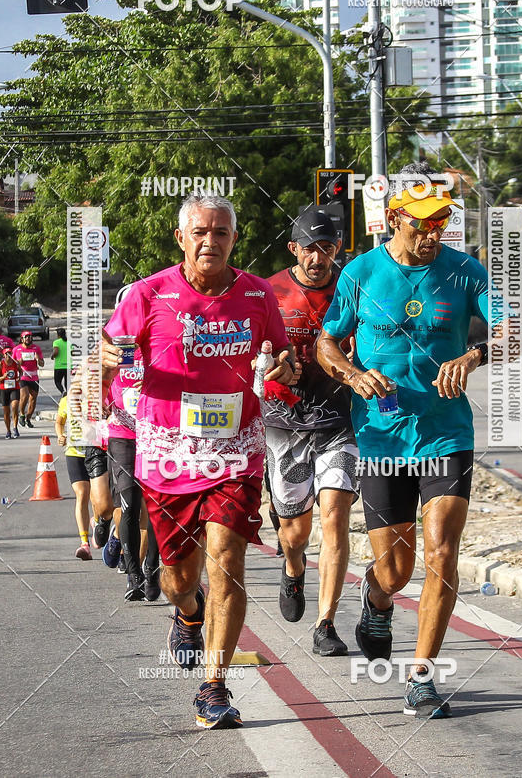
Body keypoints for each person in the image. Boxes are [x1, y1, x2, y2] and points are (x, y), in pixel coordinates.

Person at [317, 166, 522, 719]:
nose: (434, 234)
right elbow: (326, 343)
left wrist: (473, 355)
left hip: (445, 434)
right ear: (394, 219)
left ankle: (421, 675)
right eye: (422, 224)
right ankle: (377, 597)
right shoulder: (361, 273)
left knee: (441, 551)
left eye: (441, 223)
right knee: (396, 569)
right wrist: (351, 375)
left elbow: (521, 333)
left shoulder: (465, 272)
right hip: (382, 435)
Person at [101, 193, 293, 729]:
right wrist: (110, 356)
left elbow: (280, 356)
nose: (211, 241)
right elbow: (112, 352)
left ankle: (214, 687)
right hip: (168, 453)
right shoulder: (148, 293)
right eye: (201, 232)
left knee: (228, 561)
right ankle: (187, 613)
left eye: (222, 232)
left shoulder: (258, 294)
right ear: (182, 239)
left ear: (235, 238)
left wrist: (283, 365)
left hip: (236, 450)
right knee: (178, 579)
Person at [264, 210, 359, 655]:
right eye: (308, 247)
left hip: (340, 420)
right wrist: (269, 369)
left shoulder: (353, 286)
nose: (317, 257)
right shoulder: (270, 291)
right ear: (293, 249)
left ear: (336, 249)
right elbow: (251, 352)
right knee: (295, 532)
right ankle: (293, 567)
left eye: (326, 247)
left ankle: (326, 624)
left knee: (335, 516)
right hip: (285, 421)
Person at [103, 343, 161, 601]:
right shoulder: (115, 350)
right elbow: (95, 386)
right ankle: (134, 575)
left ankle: (152, 569)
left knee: (157, 507)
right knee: (130, 505)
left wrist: (153, 388)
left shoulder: (160, 344)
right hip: (122, 436)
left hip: (158, 435)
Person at [55, 394, 94, 560]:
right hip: (74, 453)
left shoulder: (96, 398)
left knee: (99, 500)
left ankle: (98, 521)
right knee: (82, 494)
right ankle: (84, 543)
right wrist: (60, 435)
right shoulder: (66, 401)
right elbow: (59, 421)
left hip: (96, 452)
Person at [12, 330, 44, 428]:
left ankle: (28, 418)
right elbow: (13, 365)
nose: (28, 338)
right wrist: (19, 363)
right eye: (26, 337)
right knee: (24, 396)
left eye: (30, 337)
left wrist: (38, 359)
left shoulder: (36, 349)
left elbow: (42, 364)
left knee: (33, 399)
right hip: (23, 376)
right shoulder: (16, 349)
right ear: (22, 339)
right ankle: (22, 414)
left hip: (34, 377)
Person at [0, 344, 22, 438]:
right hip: (4, 389)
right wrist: (3, 377)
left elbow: (21, 371)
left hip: (15, 387)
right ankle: (8, 431)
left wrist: (19, 377)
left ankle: (15, 427)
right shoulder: (1, 364)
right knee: (6, 412)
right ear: (4, 355)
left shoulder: (16, 363)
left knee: (15, 406)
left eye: (10, 353)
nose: (9, 355)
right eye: (7, 354)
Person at [51, 327, 69, 396]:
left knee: (57, 381)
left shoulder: (56, 342)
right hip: (68, 365)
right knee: (67, 382)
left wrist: (52, 356)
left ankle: (63, 392)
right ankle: (68, 394)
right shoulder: (69, 342)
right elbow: (72, 353)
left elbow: (56, 352)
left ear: (58, 335)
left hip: (59, 366)